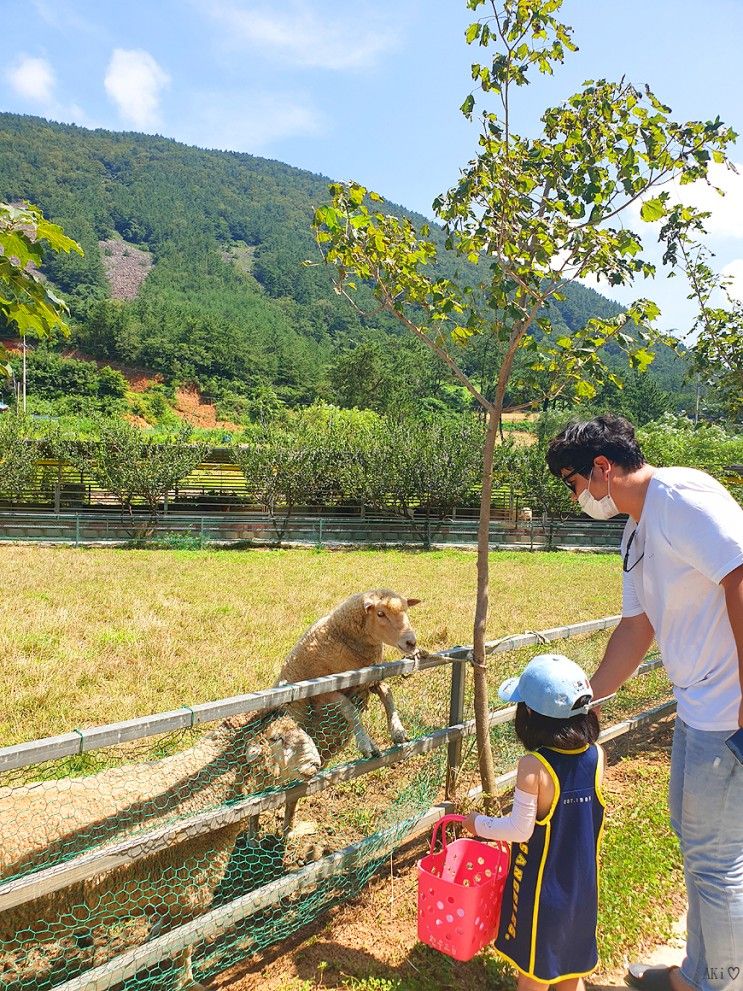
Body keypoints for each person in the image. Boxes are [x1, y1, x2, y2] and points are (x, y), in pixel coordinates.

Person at [546, 414, 743, 991]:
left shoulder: (681, 497)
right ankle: (698, 974)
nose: (577, 494)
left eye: (574, 481)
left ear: (602, 468)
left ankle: (720, 985)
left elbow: (740, 575)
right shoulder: (636, 530)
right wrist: (586, 700)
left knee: (717, 861)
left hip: (726, 710)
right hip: (697, 705)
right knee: (696, 841)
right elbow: (637, 628)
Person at [462, 652, 605, 991]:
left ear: (527, 715)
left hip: (543, 893)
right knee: (571, 970)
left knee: (534, 974)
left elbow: (519, 829)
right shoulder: (598, 757)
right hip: (583, 889)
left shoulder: (534, 767)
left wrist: (477, 824)